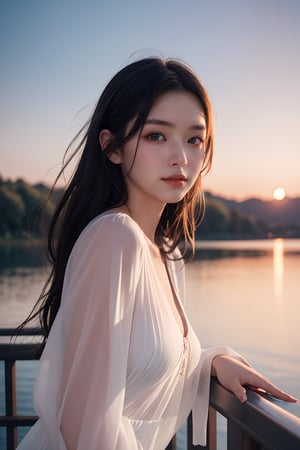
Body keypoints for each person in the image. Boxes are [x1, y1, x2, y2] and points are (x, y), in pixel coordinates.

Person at [17, 56, 296, 450]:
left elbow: (145, 367)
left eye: (194, 139)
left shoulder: (164, 254)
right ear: (112, 147)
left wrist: (211, 362)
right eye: (156, 136)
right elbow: (83, 423)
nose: (181, 157)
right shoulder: (114, 239)